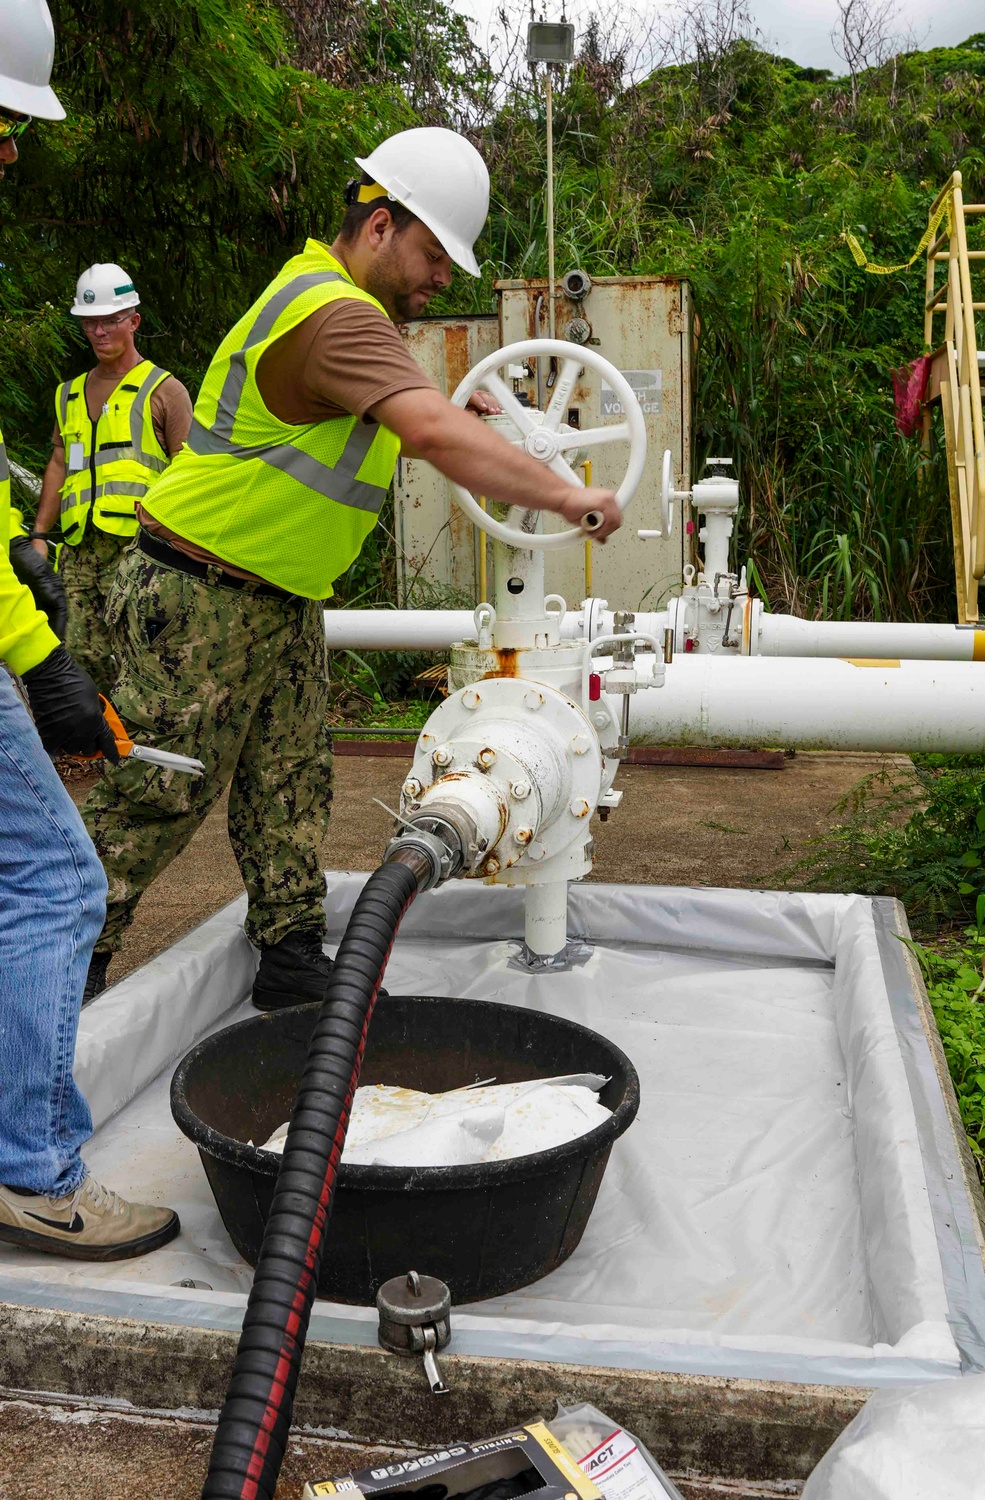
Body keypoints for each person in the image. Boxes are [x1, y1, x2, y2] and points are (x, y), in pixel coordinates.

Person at [81, 125, 622, 1009]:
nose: (445, 277)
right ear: (379, 224)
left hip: (275, 597)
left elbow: (369, 420)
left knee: (290, 782)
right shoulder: (334, 314)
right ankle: (52, 974)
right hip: (201, 593)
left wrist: (466, 406)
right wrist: (571, 498)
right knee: (157, 794)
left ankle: (291, 964)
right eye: (436, 253)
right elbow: (432, 436)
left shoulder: (326, 303)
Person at [0, 0, 179, 1260]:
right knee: (60, 881)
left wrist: (19, 553)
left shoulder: (158, 388)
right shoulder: (73, 389)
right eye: (4, 123)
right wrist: (37, 653)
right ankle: (35, 1170)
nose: (11, 152)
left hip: (104, 578)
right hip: (44, 606)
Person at [29, 266, 192, 692]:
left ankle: (143, 750)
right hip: (80, 551)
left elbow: (190, 469)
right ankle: (94, 748)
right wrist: (40, 534)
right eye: (90, 321)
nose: (99, 331)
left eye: (110, 320)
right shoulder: (69, 394)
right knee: (81, 656)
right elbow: (59, 462)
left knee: (147, 655)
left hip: (143, 551)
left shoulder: (165, 390)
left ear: (133, 321)